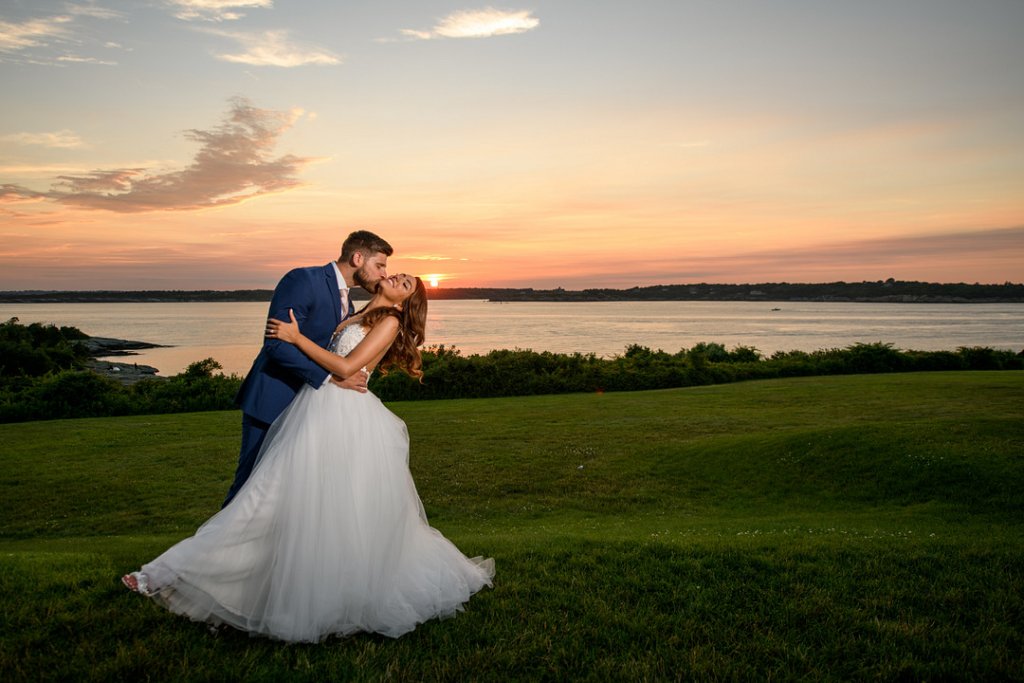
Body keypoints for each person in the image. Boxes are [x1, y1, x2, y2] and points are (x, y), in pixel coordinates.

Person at [121, 274, 494, 642]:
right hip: (315, 409)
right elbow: (336, 366)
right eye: (397, 273)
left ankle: (164, 573)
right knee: (268, 500)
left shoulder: (391, 322)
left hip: (344, 419)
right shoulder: (357, 314)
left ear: (404, 302)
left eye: (406, 283)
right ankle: (180, 574)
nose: (396, 276)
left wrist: (296, 338)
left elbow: (348, 369)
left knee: (290, 504)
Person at [224, 230, 392, 507]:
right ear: (358, 258)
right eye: (380, 265)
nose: (384, 274)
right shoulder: (303, 280)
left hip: (308, 411)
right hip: (273, 399)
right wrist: (331, 378)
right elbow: (277, 345)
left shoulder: (346, 301)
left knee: (286, 497)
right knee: (249, 491)